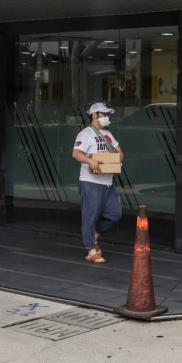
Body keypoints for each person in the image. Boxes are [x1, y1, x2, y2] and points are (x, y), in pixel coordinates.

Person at [71, 102, 124, 264]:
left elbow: (120, 152)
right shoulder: (85, 134)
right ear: (94, 115)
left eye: (108, 114)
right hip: (91, 182)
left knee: (115, 214)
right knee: (89, 216)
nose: (107, 117)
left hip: (107, 183)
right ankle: (91, 250)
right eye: (104, 114)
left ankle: (94, 235)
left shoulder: (108, 134)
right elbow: (76, 153)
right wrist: (90, 161)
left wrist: (115, 161)